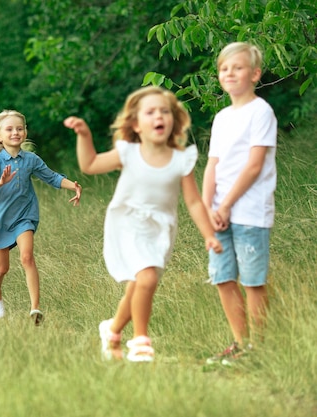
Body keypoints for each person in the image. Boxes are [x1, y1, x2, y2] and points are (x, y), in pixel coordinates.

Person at [64, 86, 222, 362]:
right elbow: (89, 164)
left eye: (164, 111)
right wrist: (85, 135)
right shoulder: (128, 152)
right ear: (136, 124)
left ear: (173, 120)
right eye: (150, 112)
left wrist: (208, 234)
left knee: (139, 284)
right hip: (127, 223)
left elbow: (194, 202)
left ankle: (112, 331)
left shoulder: (181, 158)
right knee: (146, 277)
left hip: (160, 229)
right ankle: (140, 342)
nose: (159, 116)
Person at [202, 42, 277, 365]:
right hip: (218, 214)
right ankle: (240, 343)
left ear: (255, 74)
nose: (229, 73)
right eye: (224, 68)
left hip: (248, 211)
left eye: (238, 67)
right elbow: (213, 164)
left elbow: (254, 165)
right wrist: (207, 207)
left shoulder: (261, 111)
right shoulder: (221, 117)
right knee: (223, 277)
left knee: (252, 280)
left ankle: (259, 348)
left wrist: (227, 204)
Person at [0, 110, 82, 325]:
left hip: (25, 216)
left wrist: (73, 186)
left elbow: (51, 177)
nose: (15, 132)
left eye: (19, 128)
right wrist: (0, 183)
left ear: (25, 133)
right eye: (10, 129)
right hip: (1, 220)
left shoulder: (31, 159)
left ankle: (35, 308)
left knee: (27, 257)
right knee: (2, 268)